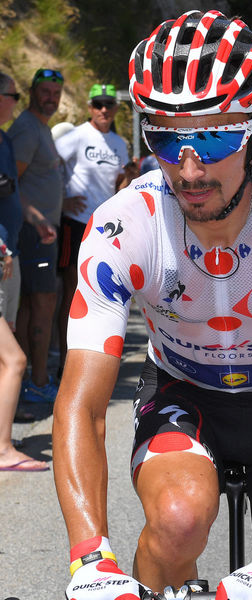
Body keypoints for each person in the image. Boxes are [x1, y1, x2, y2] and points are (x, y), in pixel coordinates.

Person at [53, 10, 252, 600]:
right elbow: (82, 404)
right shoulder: (125, 224)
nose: (189, 168)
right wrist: (90, 560)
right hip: (184, 396)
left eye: (215, 137)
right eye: (166, 138)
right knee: (176, 520)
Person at [55, 83, 137, 379]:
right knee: (73, 292)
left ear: (116, 108)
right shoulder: (76, 136)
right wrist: (61, 198)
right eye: (98, 104)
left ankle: (91, 364)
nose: (104, 110)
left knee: (101, 295)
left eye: (109, 104)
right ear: (90, 107)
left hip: (105, 229)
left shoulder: (118, 142)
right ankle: (65, 363)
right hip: (75, 224)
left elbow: (118, 188)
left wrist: (128, 179)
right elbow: (48, 167)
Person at [7, 68, 62, 403]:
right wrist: (37, 217)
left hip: (41, 231)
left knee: (32, 307)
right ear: (30, 92)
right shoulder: (27, 128)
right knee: (42, 304)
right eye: (45, 92)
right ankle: (38, 383)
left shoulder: (41, 127)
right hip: (32, 233)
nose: (51, 99)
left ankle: (30, 382)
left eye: (56, 94)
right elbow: (11, 183)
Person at [0, 70, 44, 469]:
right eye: (13, 95)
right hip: (0, 255)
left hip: (7, 254)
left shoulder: (3, 138)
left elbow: (11, 193)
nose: (16, 102)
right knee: (12, 359)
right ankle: (3, 448)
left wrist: (32, 219)